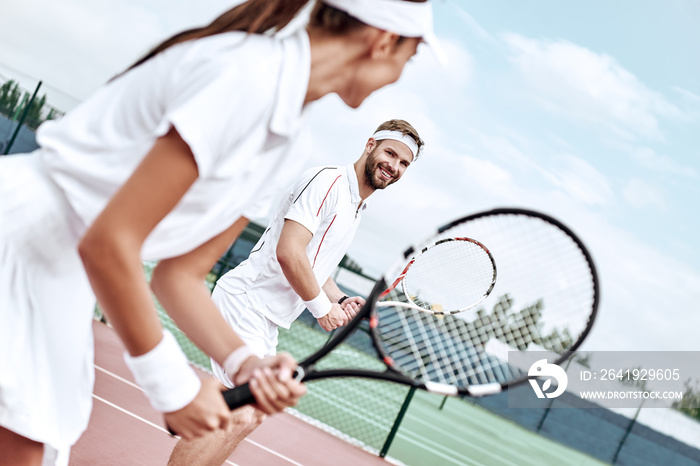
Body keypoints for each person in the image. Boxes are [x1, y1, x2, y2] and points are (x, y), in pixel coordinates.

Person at [0, 1, 443, 465]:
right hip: (25, 245)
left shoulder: (287, 141)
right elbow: (108, 241)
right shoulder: (248, 77)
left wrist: (245, 365)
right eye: (408, 59)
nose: (398, 77)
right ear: (383, 42)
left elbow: (178, 276)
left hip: (54, 266)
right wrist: (172, 387)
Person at [168, 119, 424, 466]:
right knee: (241, 409)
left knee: (252, 413)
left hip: (266, 317)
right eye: (391, 153)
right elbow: (289, 251)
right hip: (246, 302)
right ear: (370, 145)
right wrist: (322, 309)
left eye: (404, 163)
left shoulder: (357, 206)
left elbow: (318, 265)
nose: (394, 166)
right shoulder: (328, 181)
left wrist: (338, 299)